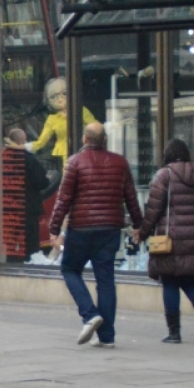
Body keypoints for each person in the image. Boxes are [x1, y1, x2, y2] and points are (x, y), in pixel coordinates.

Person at [49, 123, 143, 347]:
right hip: (110, 229)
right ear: (105, 140)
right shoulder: (120, 163)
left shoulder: (74, 162)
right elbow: (130, 196)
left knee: (70, 269)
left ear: (84, 139)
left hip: (81, 228)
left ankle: (90, 315)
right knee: (106, 280)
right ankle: (107, 337)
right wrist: (139, 225)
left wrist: (54, 230)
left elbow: (63, 199)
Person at [134, 139, 194, 344]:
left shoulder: (165, 175)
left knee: (170, 282)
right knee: (191, 279)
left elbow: (153, 210)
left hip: (170, 238)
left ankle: (174, 332)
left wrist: (142, 233)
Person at [4, 129, 50, 258]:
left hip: (6, 209)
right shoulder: (28, 159)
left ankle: (11, 261)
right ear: (23, 141)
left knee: (10, 244)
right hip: (27, 208)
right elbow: (42, 182)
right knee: (30, 244)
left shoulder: (1, 158)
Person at [31, 78, 97, 161]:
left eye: (64, 93)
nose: (60, 98)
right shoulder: (52, 119)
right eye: (53, 97)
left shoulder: (81, 111)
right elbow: (41, 141)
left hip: (83, 150)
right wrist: (23, 147)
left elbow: (96, 128)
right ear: (47, 101)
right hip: (63, 154)